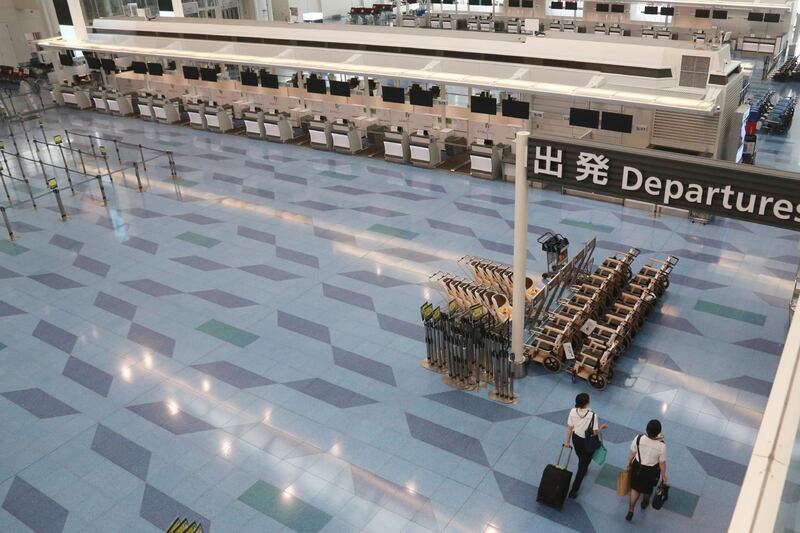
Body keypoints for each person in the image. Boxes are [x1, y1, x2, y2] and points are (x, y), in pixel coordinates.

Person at [564, 393, 608, 499]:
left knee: (580, 456)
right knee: (582, 467)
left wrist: (567, 441)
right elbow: (594, 433)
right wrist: (602, 427)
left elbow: (570, 427)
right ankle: (574, 490)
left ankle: (583, 466)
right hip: (588, 441)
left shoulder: (573, 411)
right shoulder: (592, 415)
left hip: (576, 439)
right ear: (587, 402)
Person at [625, 419, 668, 522]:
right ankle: (645, 501)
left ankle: (630, 511)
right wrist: (664, 475)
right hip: (651, 471)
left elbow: (632, 453)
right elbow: (662, 463)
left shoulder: (638, 438)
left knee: (635, 489)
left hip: (637, 467)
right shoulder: (662, 446)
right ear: (659, 432)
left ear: (646, 429)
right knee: (647, 488)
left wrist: (628, 463)